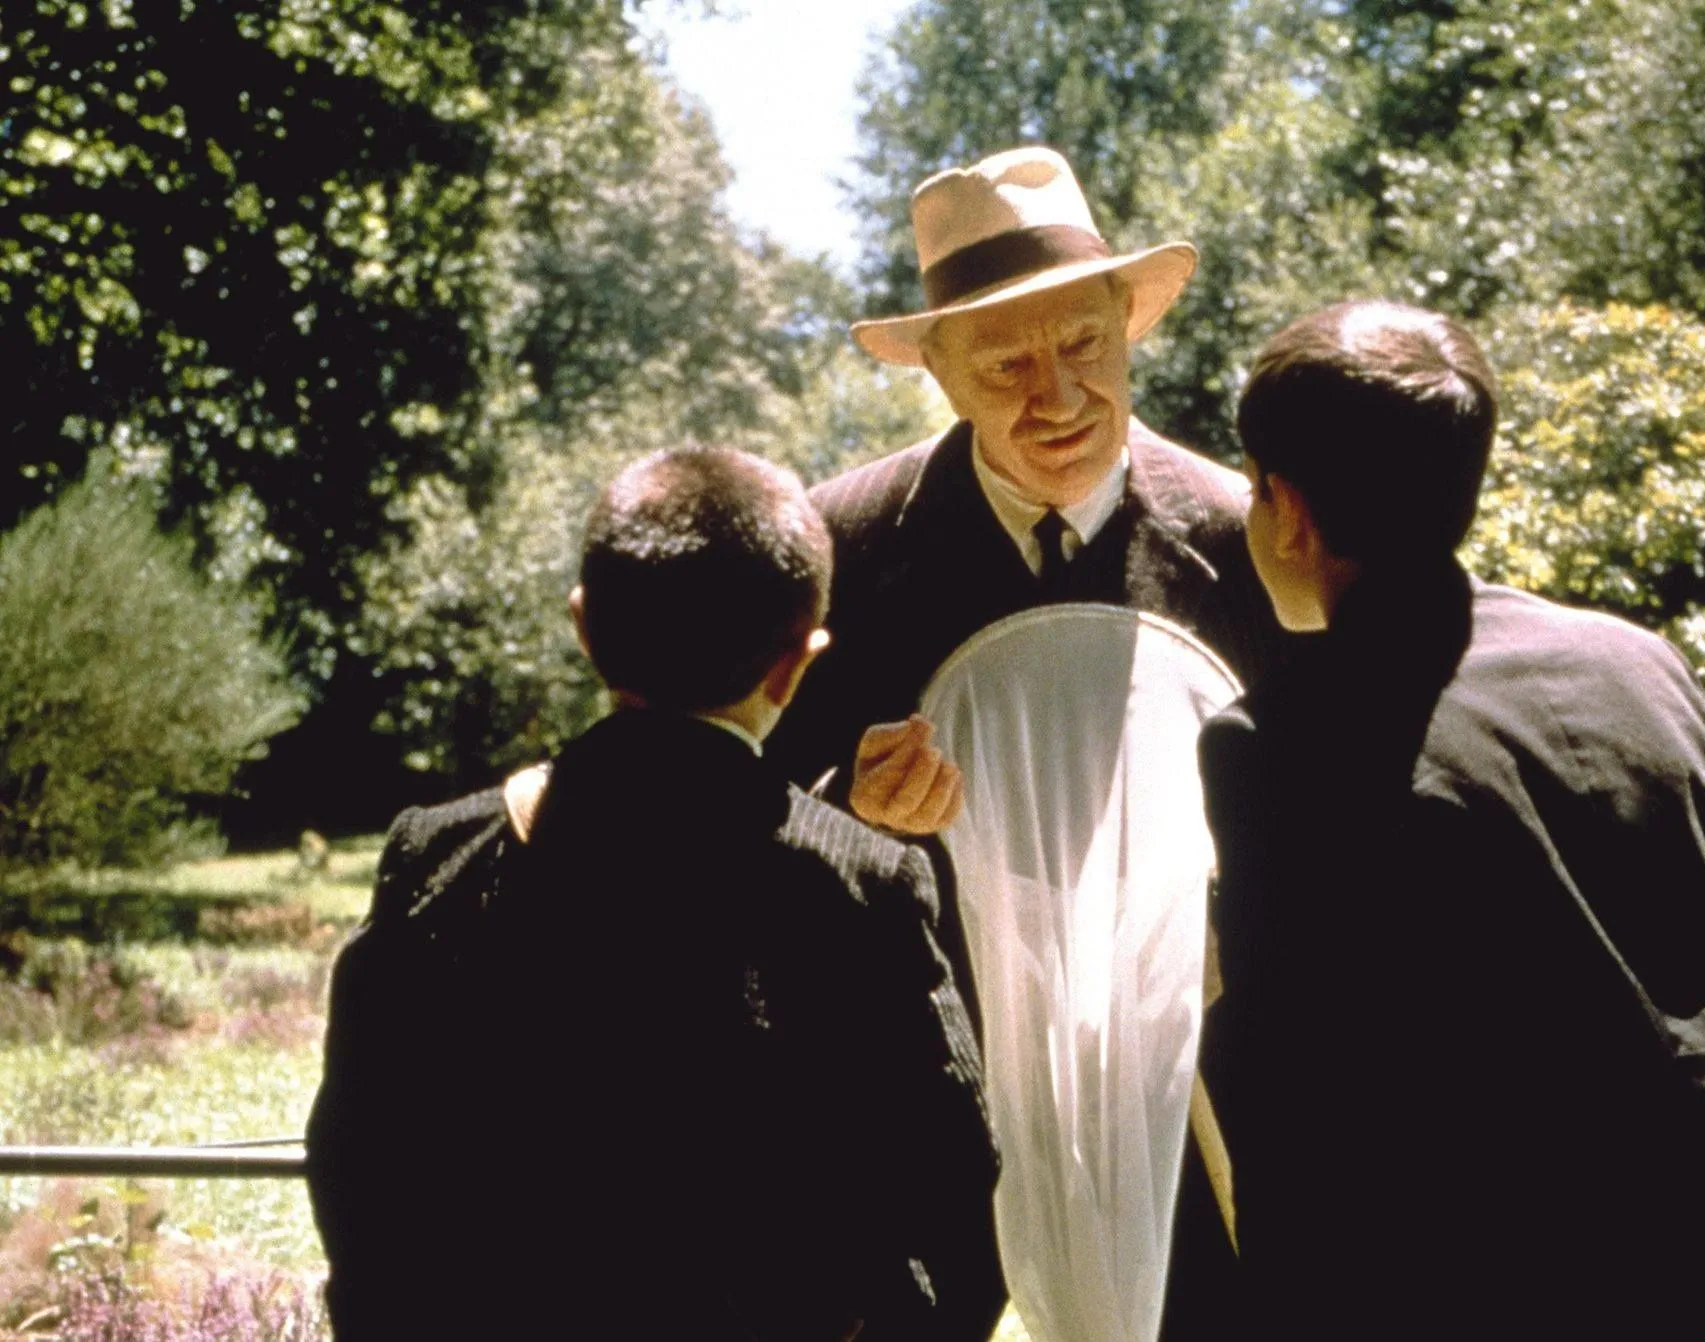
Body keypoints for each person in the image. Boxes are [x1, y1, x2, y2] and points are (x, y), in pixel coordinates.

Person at [1202, 299, 1705, 1337]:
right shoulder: (1634, 662)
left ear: (1287, 509)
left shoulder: (1278, 741)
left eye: (1252, 489)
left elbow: (1307, 1135)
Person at [305, 447, 998, 1340]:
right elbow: (952, 1184)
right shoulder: (857, 883)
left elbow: (359, 1172)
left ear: (583, 626)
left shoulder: (438, 856)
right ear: (797, 663)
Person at [763, 145, 1273, 1337]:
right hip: (916, 1086)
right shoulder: (836, 546)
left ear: (1127, 323)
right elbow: (738, 819)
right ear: (935, 368)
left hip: (1196, 1086)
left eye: (1083, 346)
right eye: (1003, 362)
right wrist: (846, 815)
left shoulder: (1250, 542)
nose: (1054, 395)